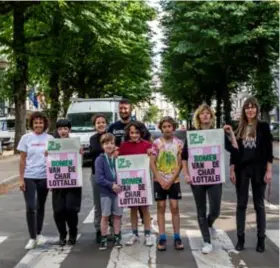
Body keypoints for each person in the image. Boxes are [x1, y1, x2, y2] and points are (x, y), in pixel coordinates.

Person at [181, 103, 238, 254]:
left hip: (214, 178)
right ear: (198, 117)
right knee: (201, 210)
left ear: (211, 117)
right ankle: (207, 241)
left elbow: (235, 150)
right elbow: (184, 157)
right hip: (197, 178)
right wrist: (186, 174)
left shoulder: (218, 134)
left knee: (215, 210)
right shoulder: (192, 135)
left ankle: (209, 224)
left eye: (208, 113)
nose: (205, 115)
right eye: (202, 113)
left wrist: (231, 133)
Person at [230, 97, 273, 253]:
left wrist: (268, 171)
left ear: (257, 109)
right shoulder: (239, 127)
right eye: (247, 107)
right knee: (241, 204)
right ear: (244, 110)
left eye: (253, 107)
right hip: (242, 170)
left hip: (259, 169)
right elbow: (234, 152)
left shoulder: (263, 127)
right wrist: (232, 169)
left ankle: (261, 239)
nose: (250, 110)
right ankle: (240, 239)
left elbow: (269, 151)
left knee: (259, 204)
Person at [108, 99, 151, 224]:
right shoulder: (113, 127)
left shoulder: (138, 125)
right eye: (121, 108)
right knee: (129, 198)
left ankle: (145, 220)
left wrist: (150, 150)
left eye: (126, 108)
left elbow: (149, 141)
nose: (123, 111)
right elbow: (107, 143)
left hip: (139, 168)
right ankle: (117, 224)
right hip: (122, 168)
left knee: (141, 196)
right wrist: (114, 151)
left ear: (130, 109)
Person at [17, 112, 53, 250]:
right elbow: (22, 160)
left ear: (44, 124)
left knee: (40, 206)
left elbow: (59, 155)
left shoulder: (50, 138)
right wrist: (21, 178)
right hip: (29, 176)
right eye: (36, 123)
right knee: (31, 207)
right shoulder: (26, 138)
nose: (38, 125)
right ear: (31, 124)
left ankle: (38, 233)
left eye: (41, 122)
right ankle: (32, 237)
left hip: (44, 176)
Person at [150, 116, 184, 251]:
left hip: (173, 180)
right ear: (161, 128)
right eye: (164, 127)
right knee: (161, 206)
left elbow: (180, 163)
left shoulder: (179, 143)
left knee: (174, 207)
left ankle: (177, 236)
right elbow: (152, 162)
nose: (167, 129)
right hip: (159, 180)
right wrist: (159, 178)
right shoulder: (157, 143)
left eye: (169, 126)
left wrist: (170, 180)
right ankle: (162, 237)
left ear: (173, 128)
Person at [119, 121, 153, 247]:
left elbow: (154, 158)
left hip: (143, 181)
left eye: (137, 132)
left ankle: (148, 234)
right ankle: (134, 234)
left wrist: (152, 153)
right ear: (128, 133)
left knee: (145, 209)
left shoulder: (147, 145)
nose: (134, 135)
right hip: (129, 182)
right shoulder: (123, 146)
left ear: (141, 133)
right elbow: (119, 161)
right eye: (132, 133)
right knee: (133, 208)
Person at [50, 119, 82, 246]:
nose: (63, 131)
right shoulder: (53, 144)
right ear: (57, 130)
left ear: (69, 130)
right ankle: (62, 234)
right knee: (58, 210)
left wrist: (81, 154)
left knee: (70, 209)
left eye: (65, 129)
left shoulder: (75, 144)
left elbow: (79, 161)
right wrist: (47, 154)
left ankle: (73, 232)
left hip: (73, 182)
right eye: (60, 129)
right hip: (58, 182)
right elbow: (50, 163)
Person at [95, 133, 123, 250]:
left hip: (118, 192)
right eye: (106, 143)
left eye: (112, 143)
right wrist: (111, 185)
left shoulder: (118, 158)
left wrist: (119, 185)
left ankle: (117, 237)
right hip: (106, 192)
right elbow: (99, 178)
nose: (109, 145)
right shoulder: (100, 160)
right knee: (105, 216)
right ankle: (104, 238)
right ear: (102, 145)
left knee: (117, 216)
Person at [89, 114, 108, 244]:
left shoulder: (111, 136)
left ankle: (112, 230)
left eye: (103, 122)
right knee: (98, 204)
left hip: (111, 175)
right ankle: (99, 230)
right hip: (97, 175)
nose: (101, 124)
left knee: (112, 203)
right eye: (98, 123)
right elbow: (95, 151)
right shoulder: (93, 139)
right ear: (95, 125)